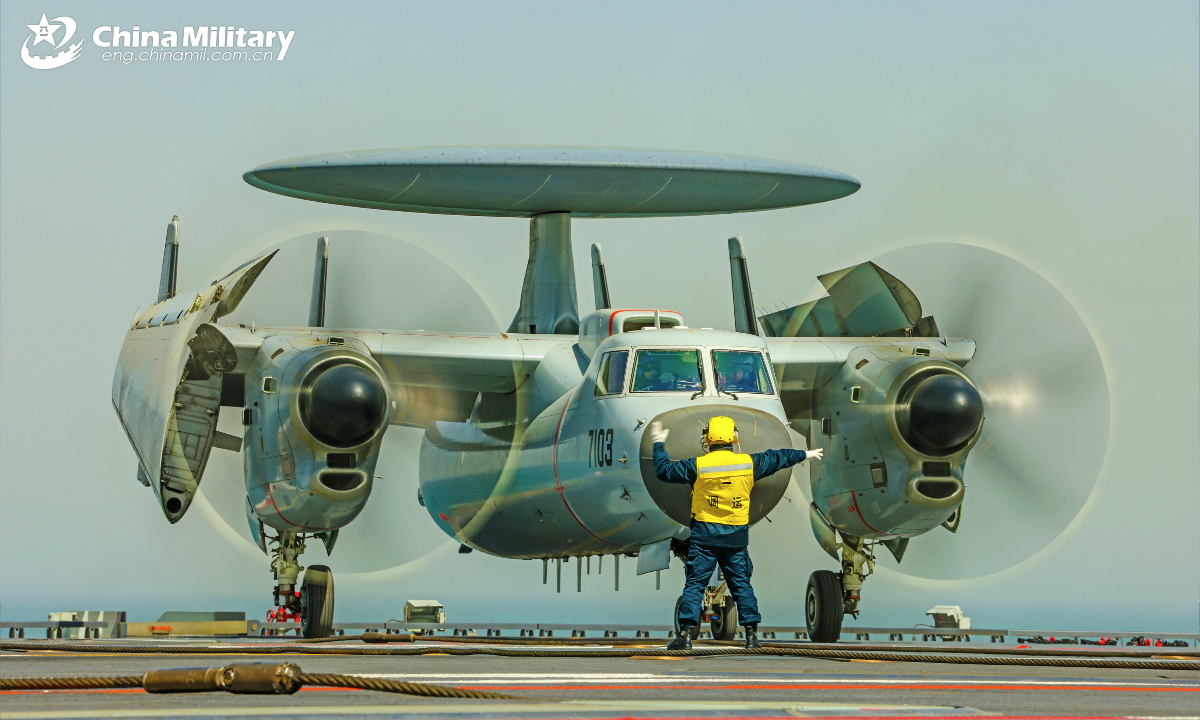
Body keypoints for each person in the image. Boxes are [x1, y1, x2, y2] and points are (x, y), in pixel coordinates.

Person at [650, 416, 822, 650]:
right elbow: (778, 457)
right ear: (734, 438)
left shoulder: (698, 466)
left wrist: (659, 444)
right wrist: (805, 454)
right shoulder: (749, 464)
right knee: (741, 585)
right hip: (736, 537)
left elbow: (664, 471)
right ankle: (751, 636)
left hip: (704, 537)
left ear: (708, 440)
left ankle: (686, 636)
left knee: (695, 586)